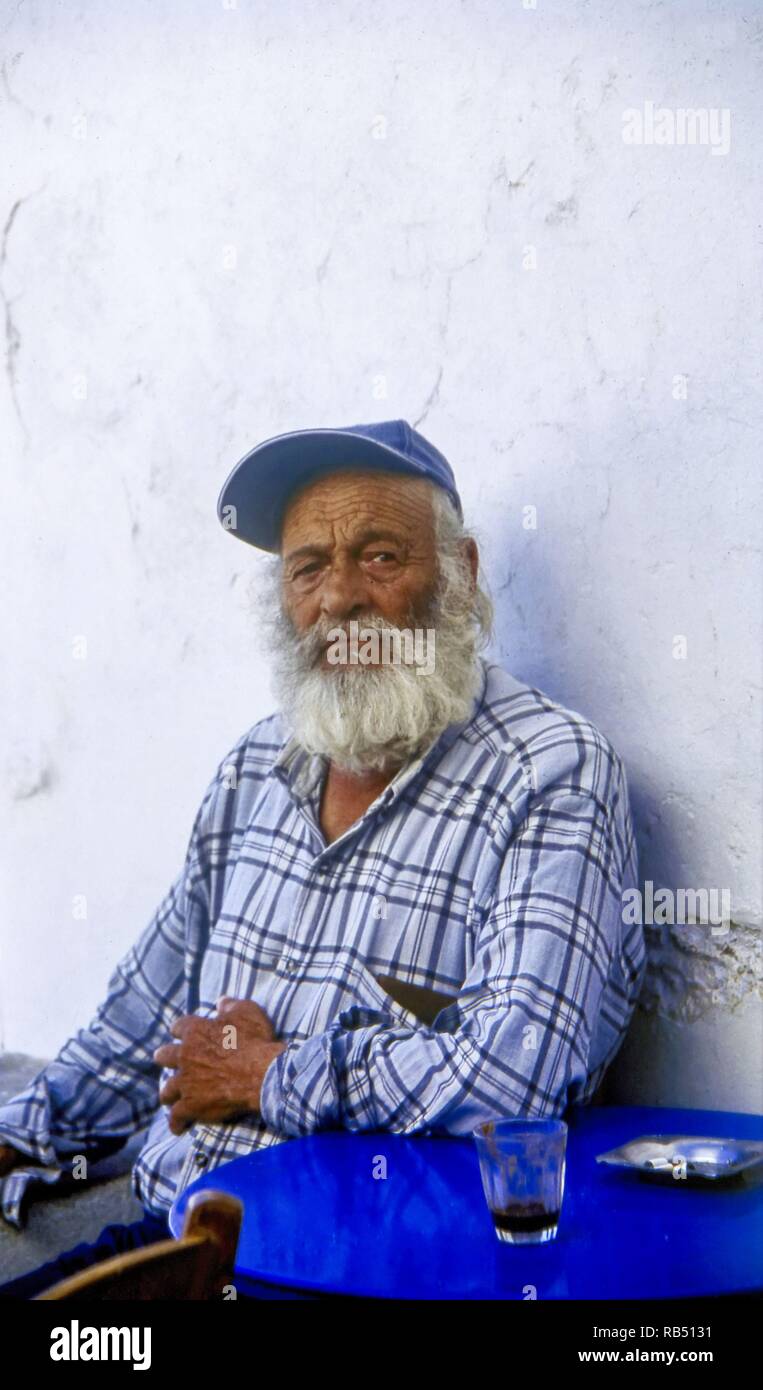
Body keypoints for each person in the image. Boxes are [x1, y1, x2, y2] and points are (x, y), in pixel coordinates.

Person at [0, 418, 647, 1297]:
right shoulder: (256, 767)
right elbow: (143, 1023)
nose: (338, 597)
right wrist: (24, 1130)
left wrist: (269, 1075)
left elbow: (518, 1078)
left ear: (460, 572)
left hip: (374, 1277)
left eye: (379, 556)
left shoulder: (549, 773)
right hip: (177, 1246)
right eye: (307, 567)